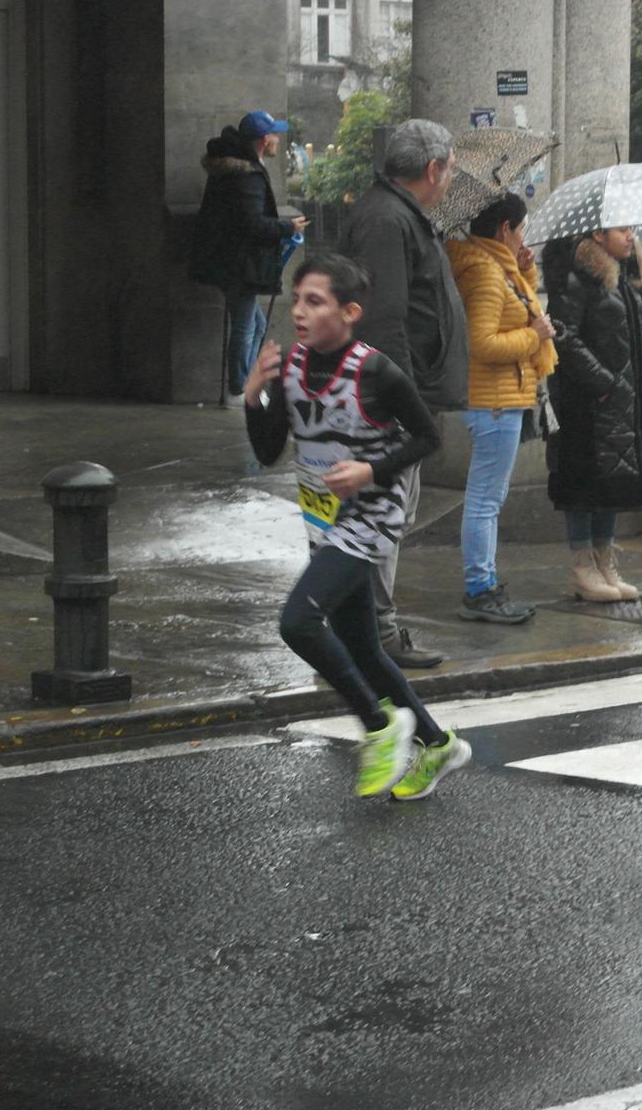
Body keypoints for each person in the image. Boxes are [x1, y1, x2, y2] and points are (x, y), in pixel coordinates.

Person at [243, 253, 471, 799]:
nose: (299, 311)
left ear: (349, 312)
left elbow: (428, 438)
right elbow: (269, 449)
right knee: (364, 649)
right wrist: (255, 397)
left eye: (314, 301)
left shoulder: (376, 371)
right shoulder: (293, 365)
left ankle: (379, 725)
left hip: (372, 515)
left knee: (297, 623)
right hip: (323, 517)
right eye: (296, 299)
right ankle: (438, 745)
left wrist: (371, 468)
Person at [337, 118, 470, 670]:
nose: (451, 179)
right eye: (451, 169)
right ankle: (375, 630)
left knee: (390, 512)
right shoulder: (388, 220)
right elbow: (385, 320)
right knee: (384, 514)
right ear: (433, 168)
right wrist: (401, 406)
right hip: (390, 404)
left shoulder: (398, 215)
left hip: (398, 395)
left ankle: (368, 625)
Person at [445, 192, 556, 624]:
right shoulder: (488, 275)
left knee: (490, 497)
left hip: (503, 397)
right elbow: (482, 343)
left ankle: (484, 584)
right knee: (485, 501)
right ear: (505, 229)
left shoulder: (497, 267)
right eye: (521, 228)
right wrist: (534, 335)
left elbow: (518, 303)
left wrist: (526, 267)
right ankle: (480, 588)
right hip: (494, 400)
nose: (523, 236)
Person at [542, 225, 642, 603]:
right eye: (622, 229)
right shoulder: (576, 279)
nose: (631, 237)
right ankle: (583, 566)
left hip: (618, 397)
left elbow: (615, 332)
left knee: (612, 481)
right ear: (596, 235)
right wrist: (605, 382)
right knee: (583, 483)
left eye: (633, 229)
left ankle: (605, 561)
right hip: (587, 400)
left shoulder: (620, 278)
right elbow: (564, 335)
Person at [189, 110, 308, 402]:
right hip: (240, 263)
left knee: (256, 324)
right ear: (263, 140)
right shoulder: (248, 177)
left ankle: (243, 383)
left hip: (229, 260)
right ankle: (239, 389)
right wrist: (286, 227)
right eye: (274, 135)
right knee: (245, 325)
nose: (277, 140)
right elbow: (251, 223)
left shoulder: (234, 171)